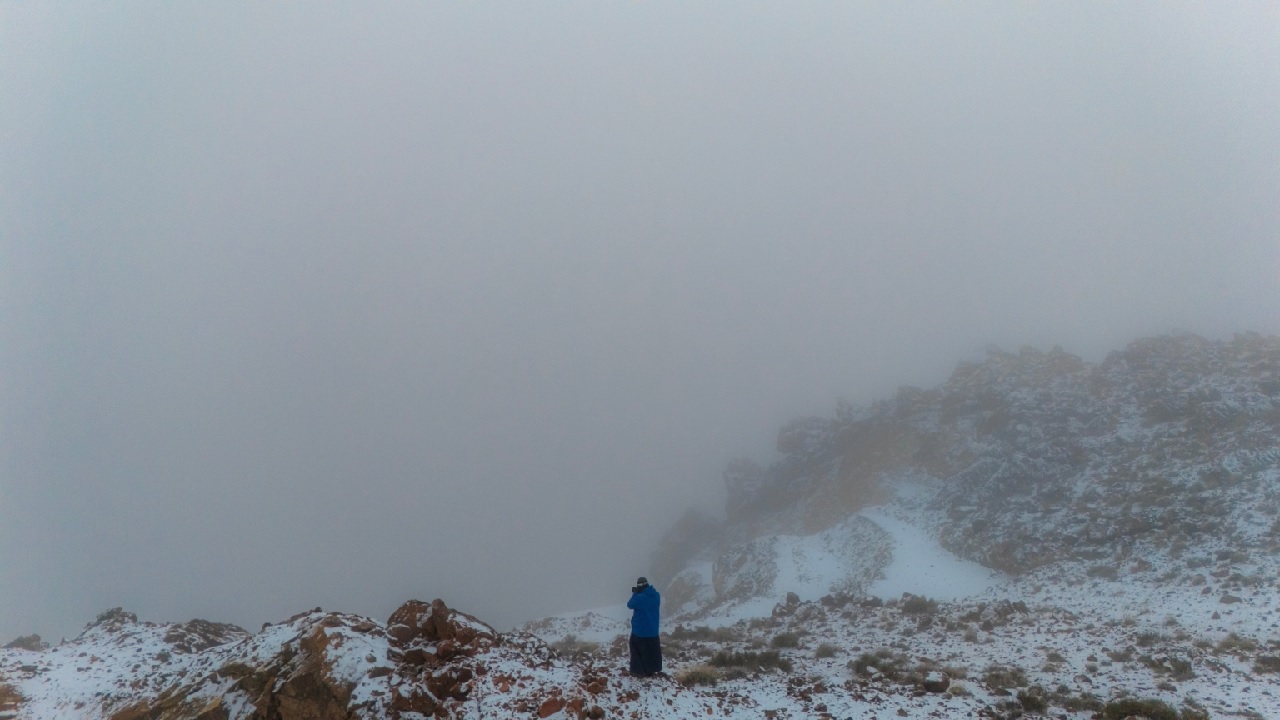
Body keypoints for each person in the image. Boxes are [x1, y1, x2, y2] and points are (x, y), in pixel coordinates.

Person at [626, 576, 662, 677]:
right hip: (653, 630)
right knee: (651, 651)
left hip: (640, 630)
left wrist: (635, 593)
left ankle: (638, 671)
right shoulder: (656, 595)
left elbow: (630, 604)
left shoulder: (640, 598)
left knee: (637, 650)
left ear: (639, 586)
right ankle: (651, 671)